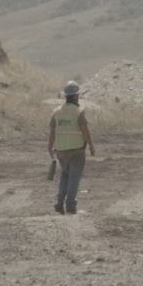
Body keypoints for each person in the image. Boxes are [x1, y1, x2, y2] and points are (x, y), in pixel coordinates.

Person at [48, 81, 95, 214]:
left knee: (65, 175)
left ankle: (59, 202)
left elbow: (52, 131)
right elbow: (85, 130)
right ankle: (70, 206)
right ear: (75, 96)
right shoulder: (78, 111)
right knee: (74, 177)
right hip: (77, 151)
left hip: (61, 151)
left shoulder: (56, 112)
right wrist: (91, 146)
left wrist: (50, 147)